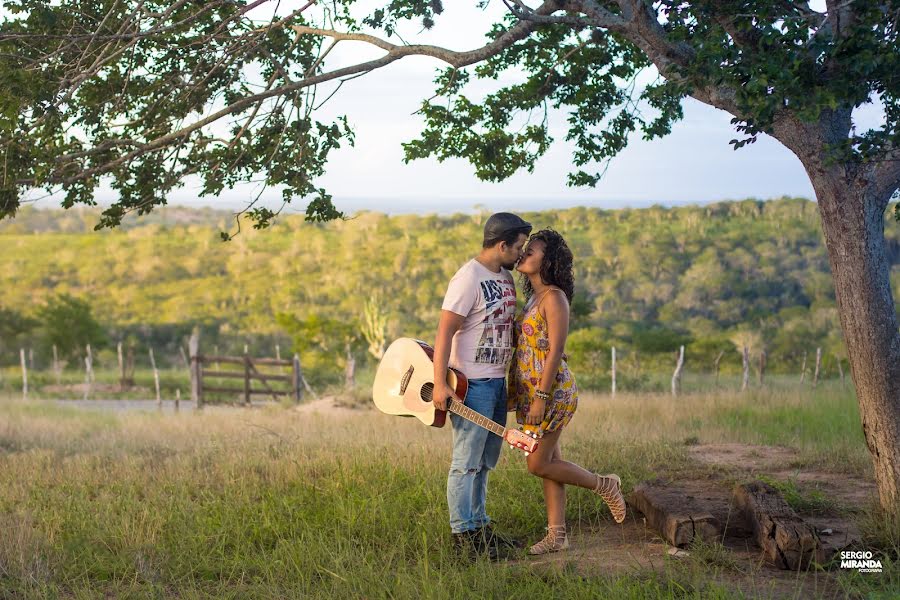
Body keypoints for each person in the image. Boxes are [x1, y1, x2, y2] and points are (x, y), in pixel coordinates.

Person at [508, 228, 627, 555]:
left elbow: (557, 348)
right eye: (525, 248)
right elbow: (536, 343)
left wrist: (540, 397)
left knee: (537, 464)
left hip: (551, 395)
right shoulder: (534, 297)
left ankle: (605, 485)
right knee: (549, 461)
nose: (525, 253)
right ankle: (557, 535)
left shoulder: (554, 297)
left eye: (532, 250)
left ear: (549, 261)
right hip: (532, 393)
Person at [433, 212, 532, 560]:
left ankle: (480, 526)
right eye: (518, 247)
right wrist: (440, 383)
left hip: (496, 382)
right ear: (501, 244)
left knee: (486, 460)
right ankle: (463, 536)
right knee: (466, 461)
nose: (521, 254)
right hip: (471, 384)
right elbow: (445, 332)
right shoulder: (467, 278)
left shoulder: (504, 276)